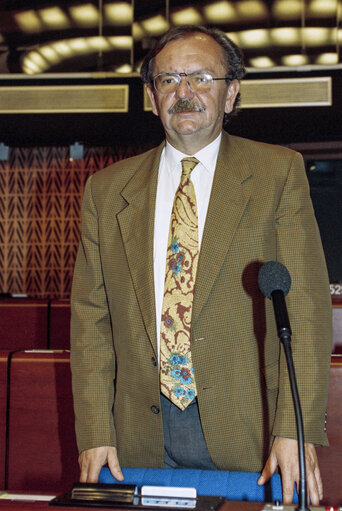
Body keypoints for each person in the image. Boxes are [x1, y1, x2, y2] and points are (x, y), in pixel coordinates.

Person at [70, 25, 332, 506]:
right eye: (168, 80)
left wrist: (295, 429)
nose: (183, 93)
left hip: (251, 434)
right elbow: (91, 321)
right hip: (135, 435)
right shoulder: (105, 192)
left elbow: (306, 313)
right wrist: (94, 431)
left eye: (200, 78)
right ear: (151, 98)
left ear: (231, 93)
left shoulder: (278, 174)